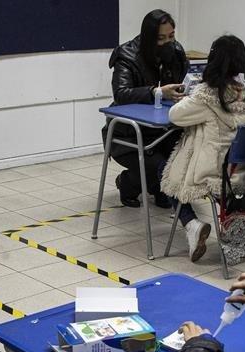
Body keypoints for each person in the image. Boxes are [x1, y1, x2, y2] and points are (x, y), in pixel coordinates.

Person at [160, 35, 245, 262]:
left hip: (212, 174)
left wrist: (191, 95)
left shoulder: (209, 95)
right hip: (243, 174)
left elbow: (175, 115)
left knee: (166, 168)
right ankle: (225, 221)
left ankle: (192, 224)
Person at [106, 9, 187, 209]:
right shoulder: (126, 55)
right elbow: (121, 94)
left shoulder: (175, 51)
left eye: (171, 36)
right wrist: (156, 92)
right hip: (129, 132)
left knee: (179, 158)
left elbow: (181, 81)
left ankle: (158, 189)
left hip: (163, 127)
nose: (168, 42)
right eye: (161, 38)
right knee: (157, 166)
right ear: (149, 37)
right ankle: (127, 183)